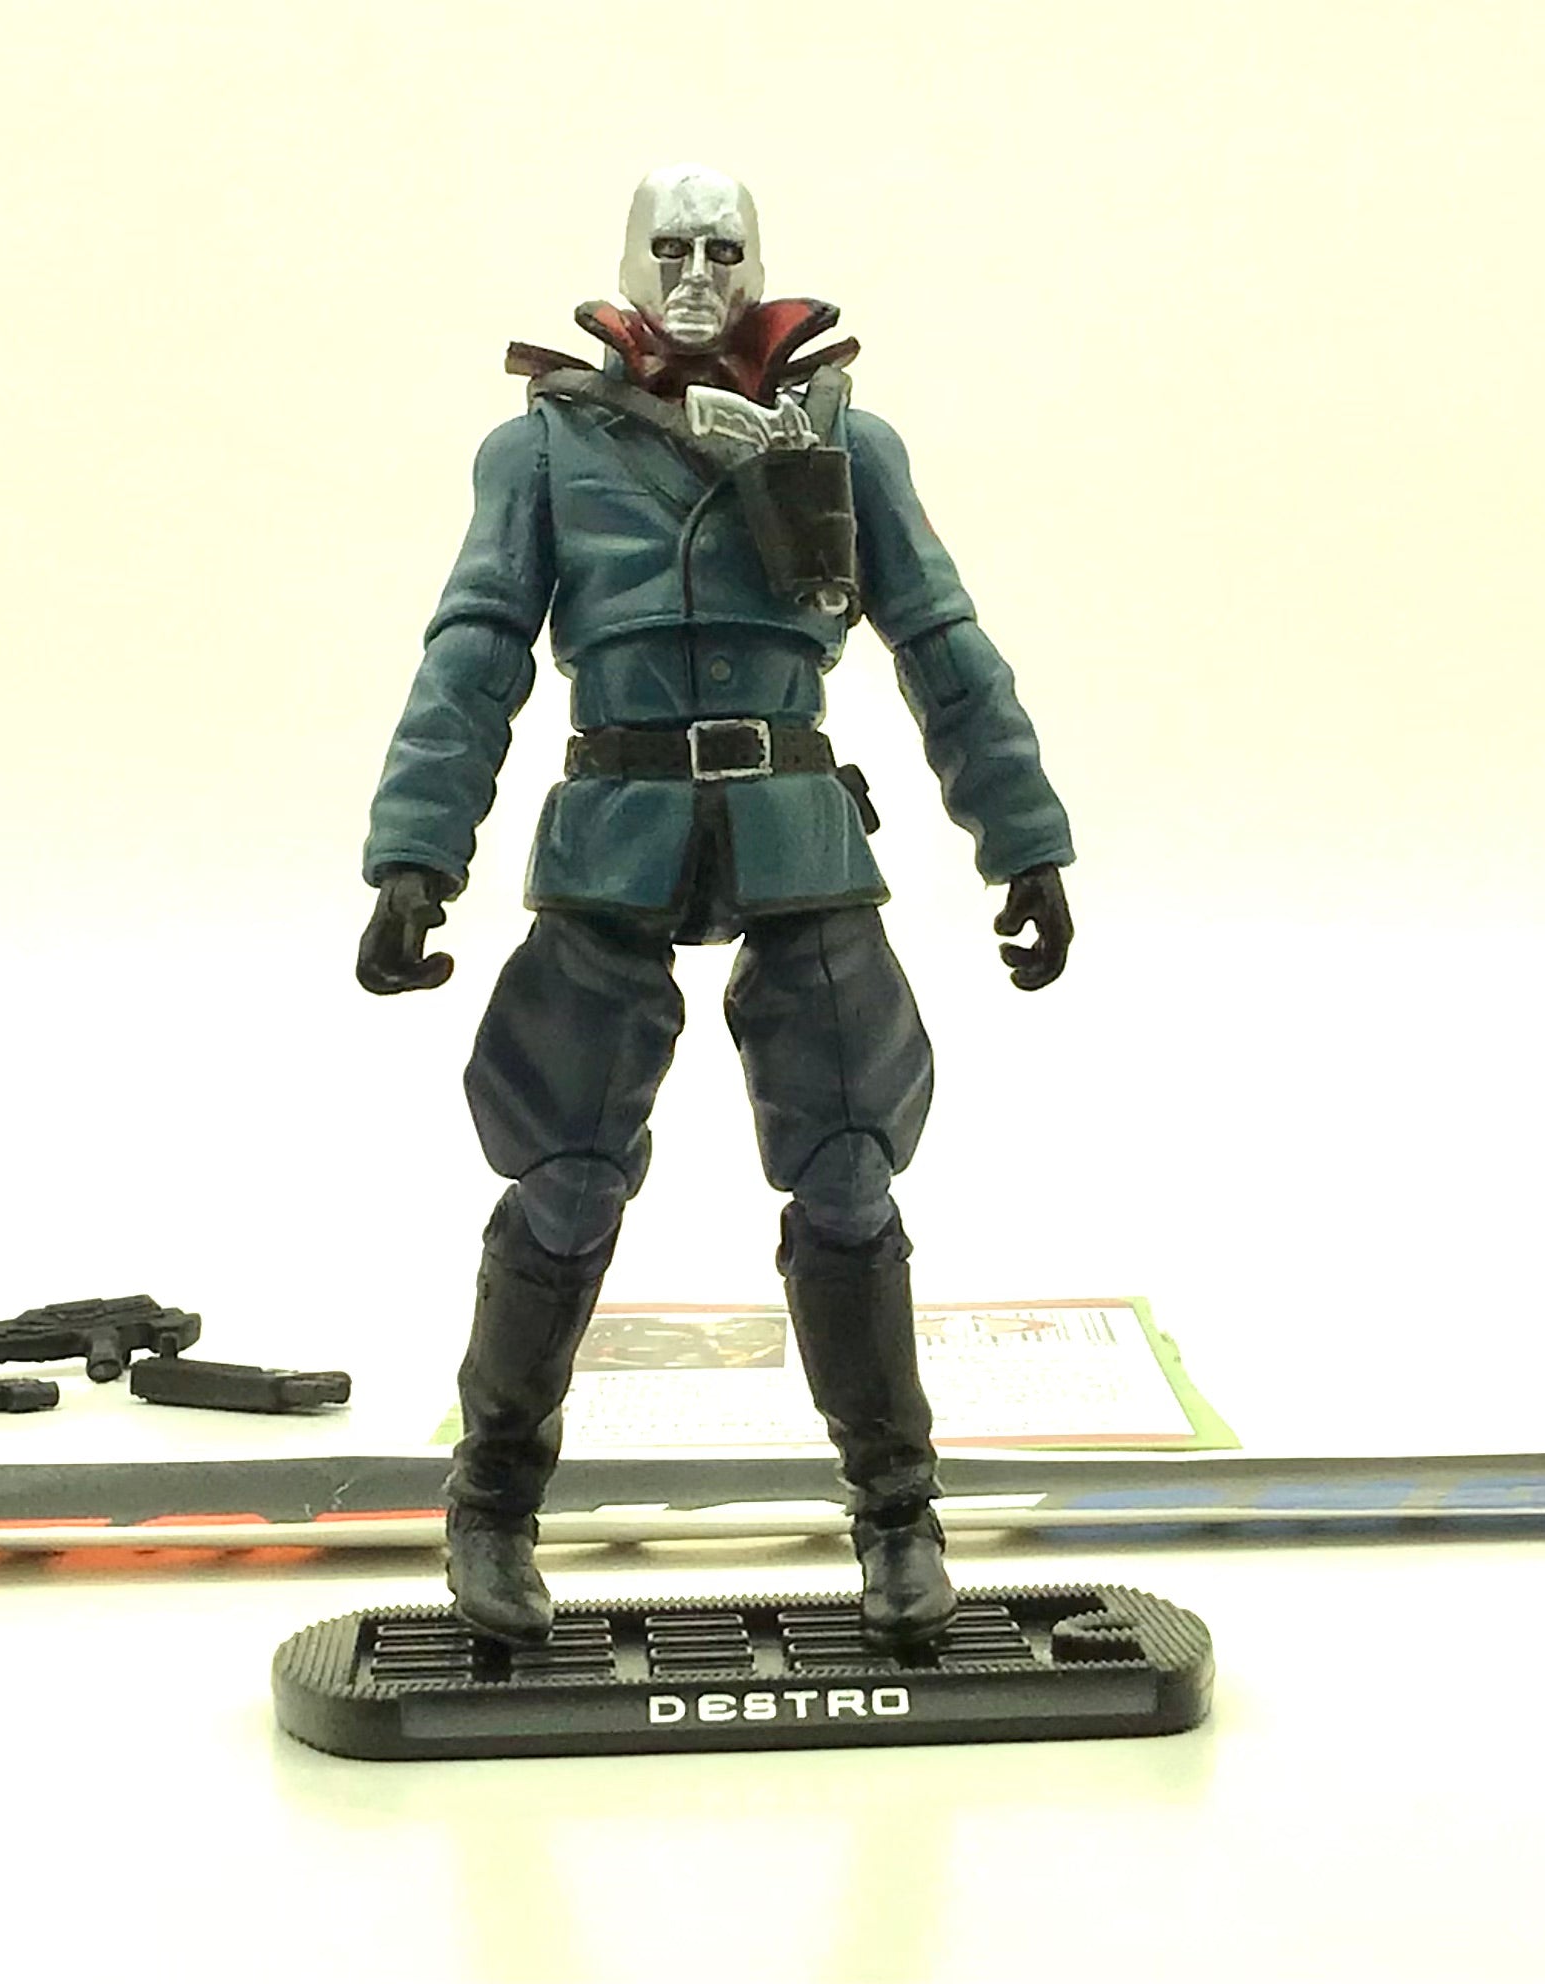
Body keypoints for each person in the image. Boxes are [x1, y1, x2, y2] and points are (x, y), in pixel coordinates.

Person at [357, 164, 1075, 1648]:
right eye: (671, 249)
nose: (697, 276)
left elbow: (942, 641)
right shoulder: (541, 446)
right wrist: (416, 853)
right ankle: (490, 1504)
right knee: (560, 1177)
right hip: (614, 832)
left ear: (759, 267)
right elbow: (474, 651)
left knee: (851, 1173)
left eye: (723, 250)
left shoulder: (844, 439)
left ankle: (897, 1512)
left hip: (794, 831)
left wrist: (1022, 838)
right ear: (629, 264)